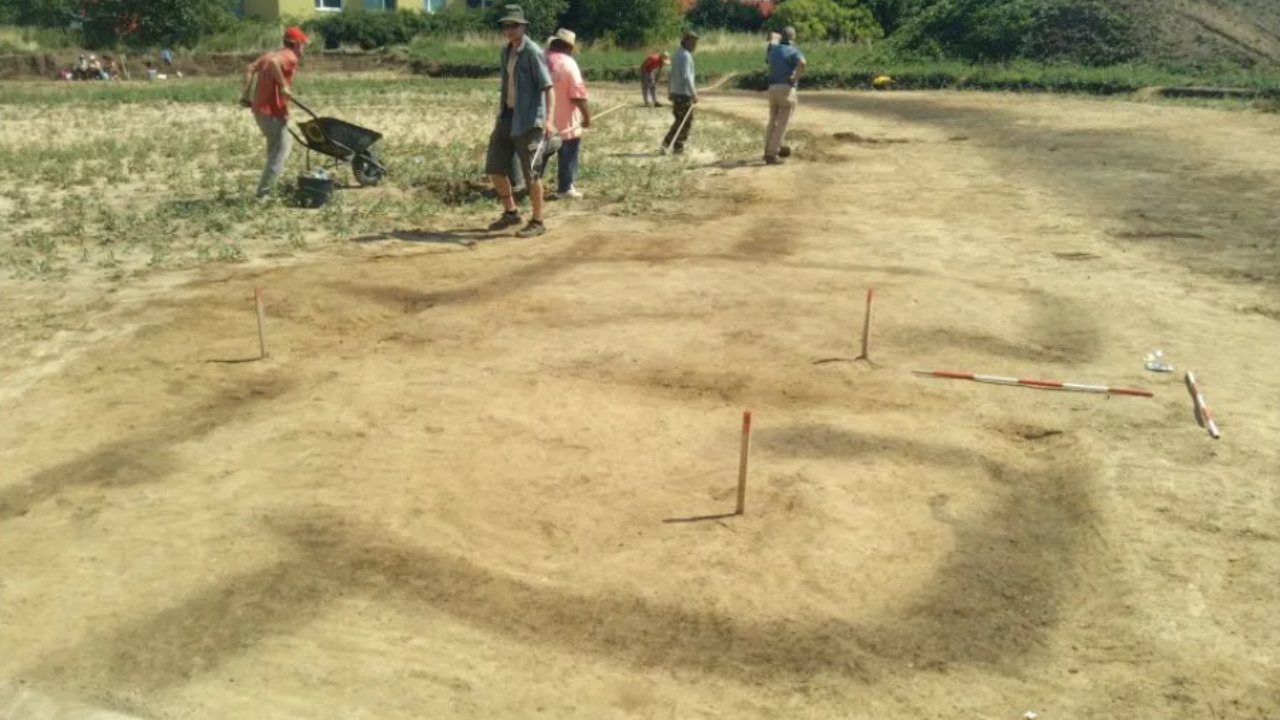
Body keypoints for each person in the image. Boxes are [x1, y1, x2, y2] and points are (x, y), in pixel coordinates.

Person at [485, 5, 556, 238]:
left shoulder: (533, 51)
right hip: (507, 117)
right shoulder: (506, 52)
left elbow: (548, 87)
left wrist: (549, 120)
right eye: (506, 26)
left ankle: (538, 221)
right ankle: (511, 212)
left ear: (523, 27)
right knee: (495, 167)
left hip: (528, 120)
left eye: (514, 26)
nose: (509, 30)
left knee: (531, 174)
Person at [240, 26, 311, 199]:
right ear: (296, 44)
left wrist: (245, 94)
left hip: (260, 110)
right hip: (272, 111)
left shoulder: (270, 54)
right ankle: (264, 194)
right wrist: (283, 86)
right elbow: (274, 64)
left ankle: (269, 187)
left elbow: (250, 67)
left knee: (274, 150)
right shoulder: (289, 56)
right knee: (282, 150)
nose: (304, 48)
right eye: (303, 44)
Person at [544, 28, 590, 200]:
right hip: (566, 123)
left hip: (543, 120)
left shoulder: (540, 58)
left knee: (540, 154)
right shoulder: (569, 64)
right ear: (569, 47)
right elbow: (578, 96)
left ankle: (531, 185)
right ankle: (565, 187)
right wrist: (586, 117)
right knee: (569, 153)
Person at [763, 25, 806, 165]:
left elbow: (768, 55)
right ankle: (772, 153)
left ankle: (768, 149)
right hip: (786, 89)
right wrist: (795, 78)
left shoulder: (773, 51)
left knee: (773, 120)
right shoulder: (793, 51)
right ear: (793, 37)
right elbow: (802, 63)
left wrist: (773, 40)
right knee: (782, 122)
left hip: (772, 88)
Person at [662, 31, 699, 155]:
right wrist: (693, 94)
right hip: (683, 94)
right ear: (686, 41)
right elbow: (686, 77)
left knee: (679, 120)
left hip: (676, 92)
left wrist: (670, 90)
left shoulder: (678, 54)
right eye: (693, 42)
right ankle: (677, 147)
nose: (695, 45)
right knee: (685, 121)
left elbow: (671, 74)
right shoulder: (685, 56)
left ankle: (667, 143)